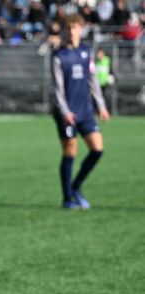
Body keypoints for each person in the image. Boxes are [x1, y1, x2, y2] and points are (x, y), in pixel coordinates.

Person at [51, 14, 109, 210]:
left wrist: (101, 105)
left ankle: (76, 185)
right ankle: (67, 198)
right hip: (66, 113)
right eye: (69, 27)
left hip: (85, 110)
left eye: (75, 27)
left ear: (81, 29)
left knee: (97, 149)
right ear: (65, 30)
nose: (72, 31)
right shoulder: (59, 55)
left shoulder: (86, 52)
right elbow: (58, 88)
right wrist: (65, 111)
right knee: (70, 152)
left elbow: (92, 79)